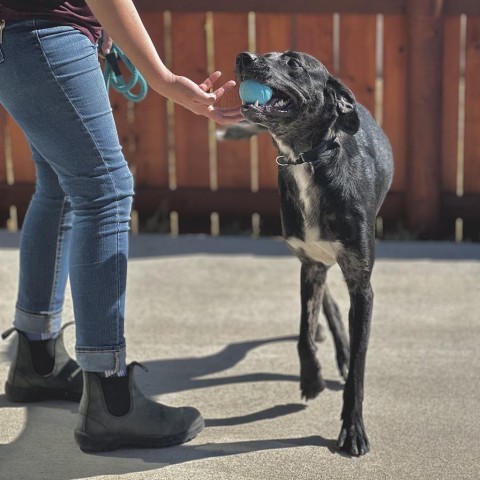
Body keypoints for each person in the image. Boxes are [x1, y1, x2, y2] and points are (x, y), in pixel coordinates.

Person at [0, 0, 242, 452]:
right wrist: (162, 78)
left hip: (20, 38)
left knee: (59, 187)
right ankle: (111, 403)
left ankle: (37, 357)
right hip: (46, 36)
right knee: (104, 192)